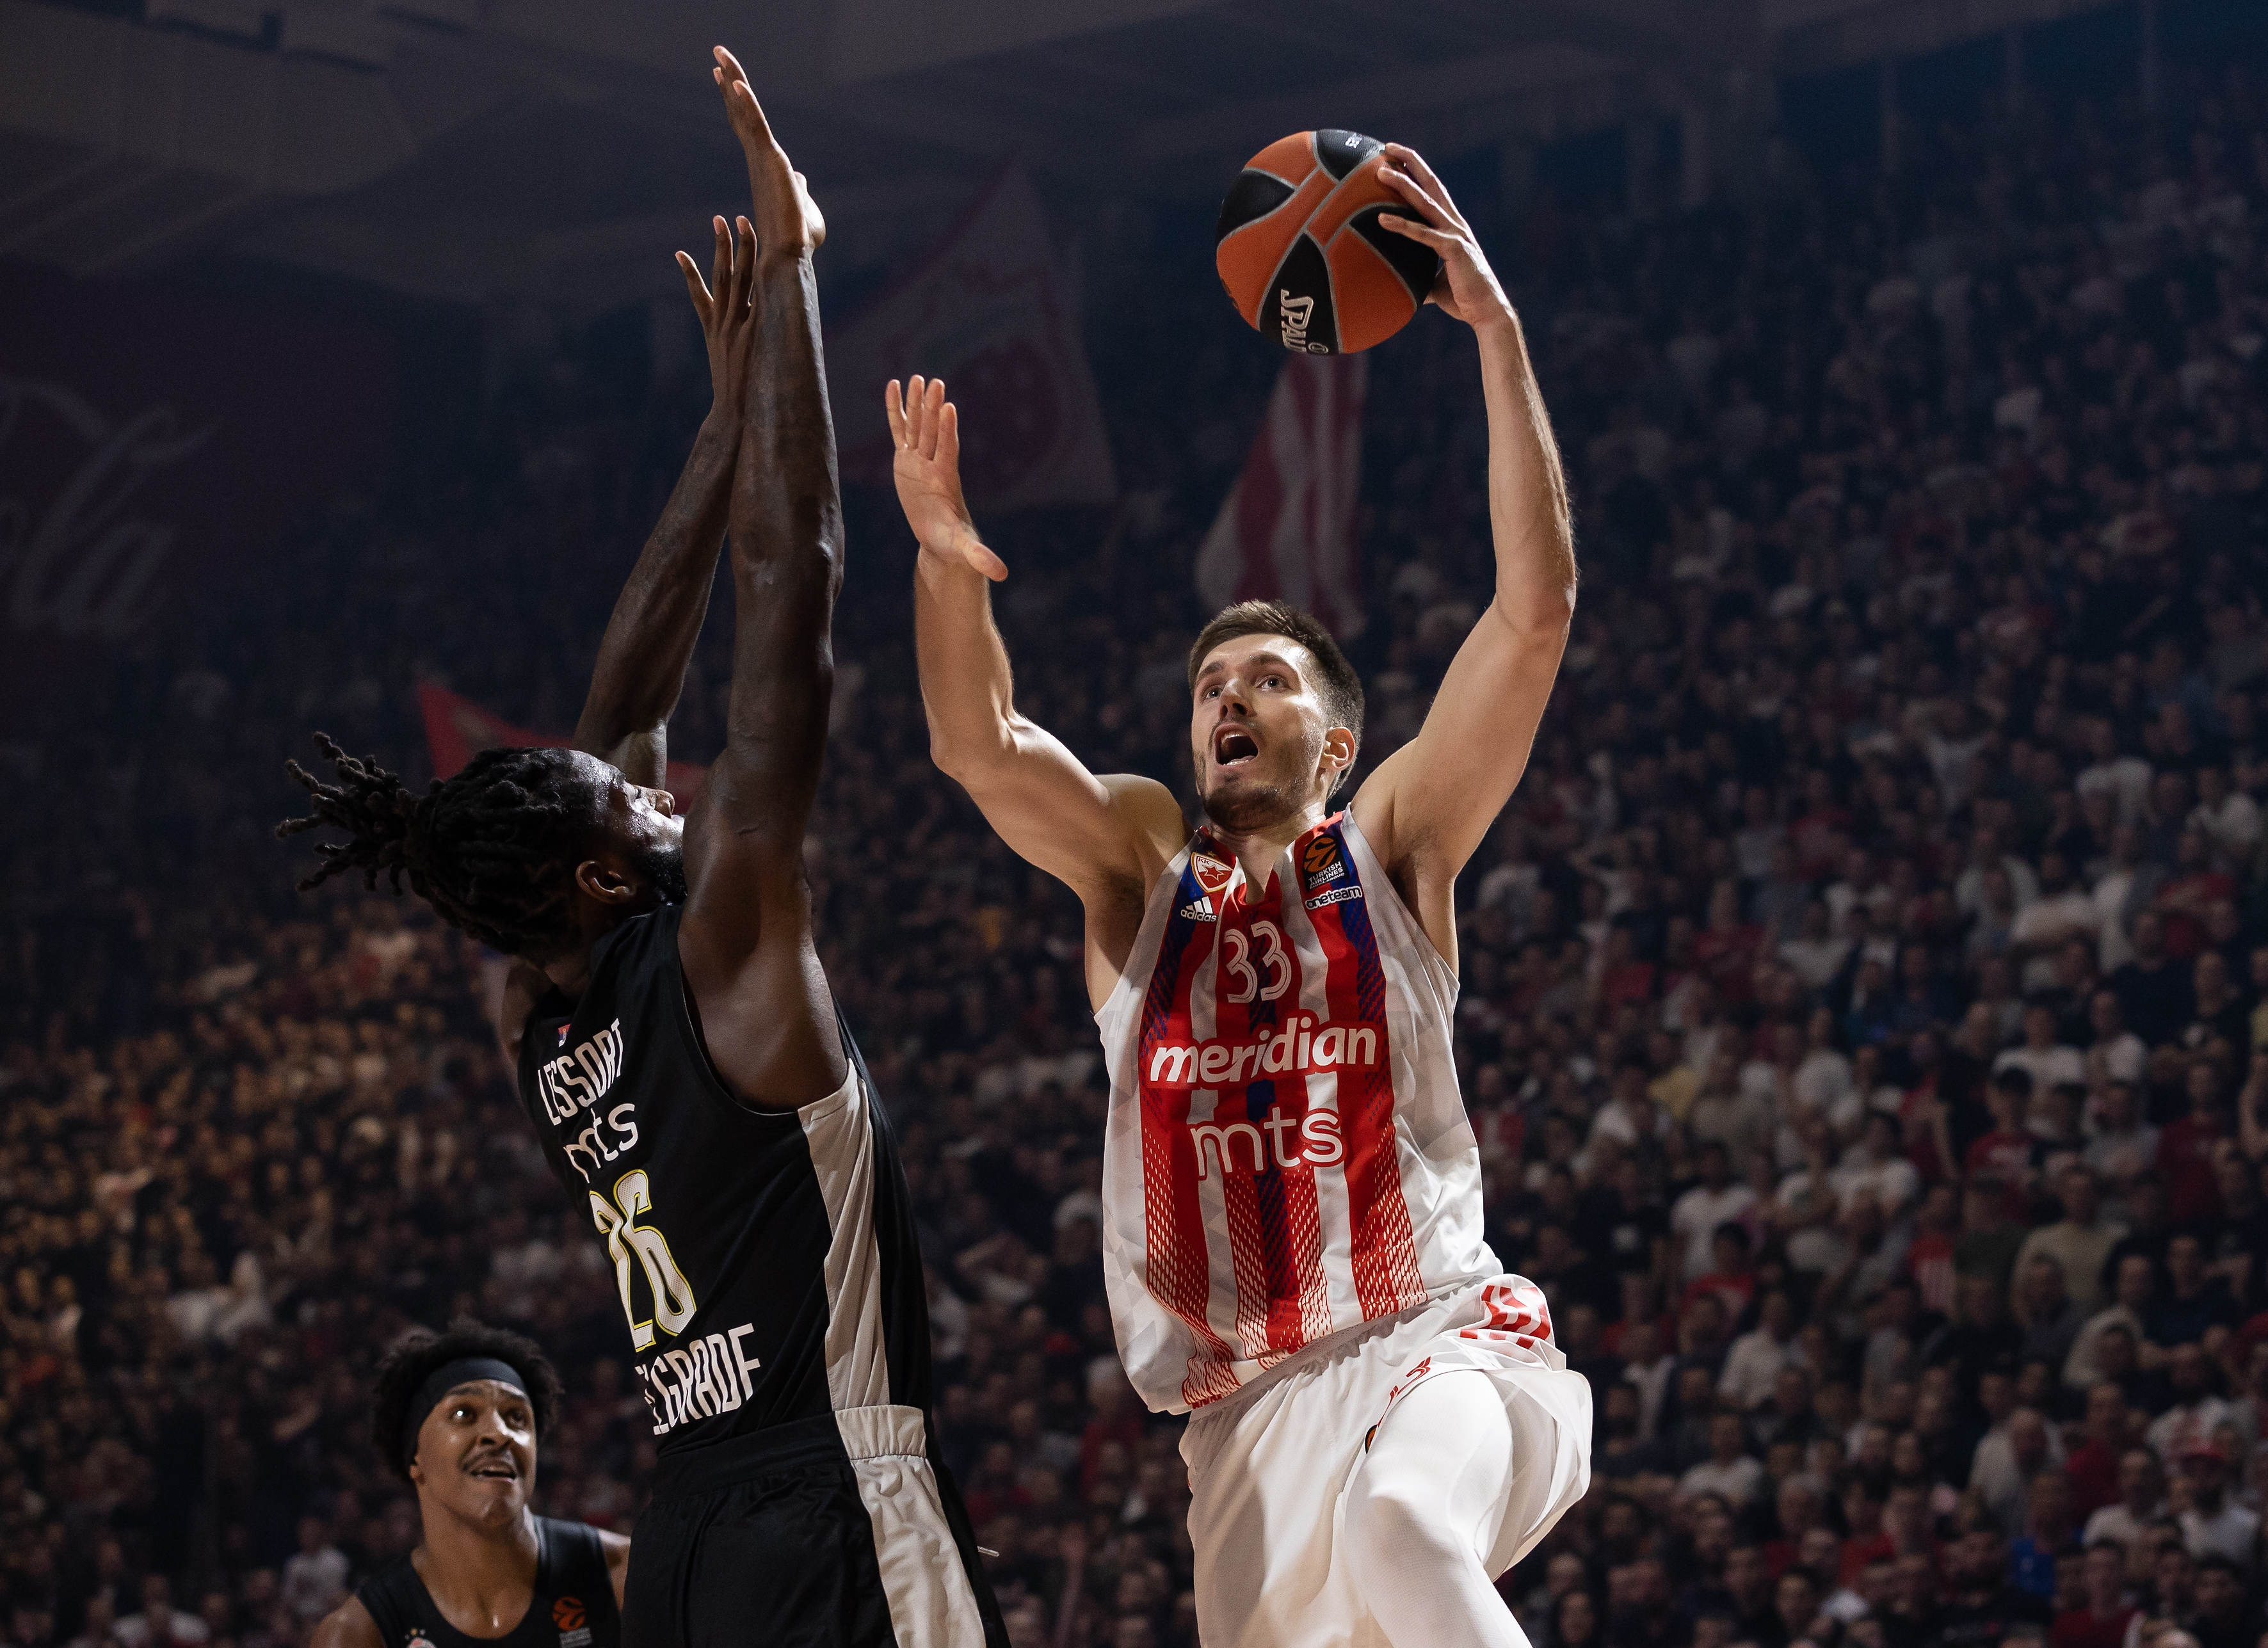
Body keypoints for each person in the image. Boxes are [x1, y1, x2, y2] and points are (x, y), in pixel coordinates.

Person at [279, 48, 1003, 1647]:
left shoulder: (538, 1015)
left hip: (686, 1542)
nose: (670, 797)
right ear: (608, 875)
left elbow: (616, 715)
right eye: (647, 812)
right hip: (835, 1487)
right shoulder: (725, 946)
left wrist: (721, 419)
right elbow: (793, 580)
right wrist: (794, 279)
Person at [890, 140, 1588, 1647]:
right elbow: (977, 744)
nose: (1228, 696)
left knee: (1406, 1529)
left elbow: (1532, 618)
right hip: (1240, 1422)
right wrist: (945, 562)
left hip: (1436, 1335)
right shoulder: (1140, 875)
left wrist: (1497, 335)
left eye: (1267, 677)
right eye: (1211, 682)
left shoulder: (1392, 842)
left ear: (1333, 743)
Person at [310, 1322, 623, 1648]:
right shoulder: (356, 1635)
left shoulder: (625, 1574)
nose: (499, 1433)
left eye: (517, 1417)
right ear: (416, 1457)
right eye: (464, 1413)